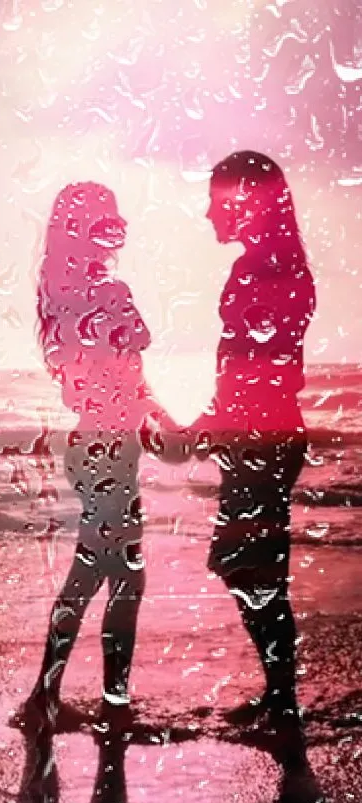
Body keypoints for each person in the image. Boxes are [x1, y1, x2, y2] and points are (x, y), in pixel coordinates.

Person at [19, 182, 189, 729]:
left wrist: (158, 421)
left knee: (104, 573)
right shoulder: (106, 293)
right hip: (109, 448)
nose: (119, 225)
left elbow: (114, 380)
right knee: (114, 576)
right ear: (90, 229)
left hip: (96, 443)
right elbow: (130, 368)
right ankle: (98, 703)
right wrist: (165, 424)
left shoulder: (56, 293)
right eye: (108, 217)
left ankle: (61, 698)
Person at [192, 151, 316, 762]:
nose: (210, 210)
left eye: (219, 198)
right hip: (259, 437)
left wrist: (216, 421)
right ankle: (280, 696)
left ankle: (284, 702)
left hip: (263, 440)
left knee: (248, 566)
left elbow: (259, 366)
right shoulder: (270, 263)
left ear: (248, 201)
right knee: (252, 567)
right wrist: (215, 422)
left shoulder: (266, 266)